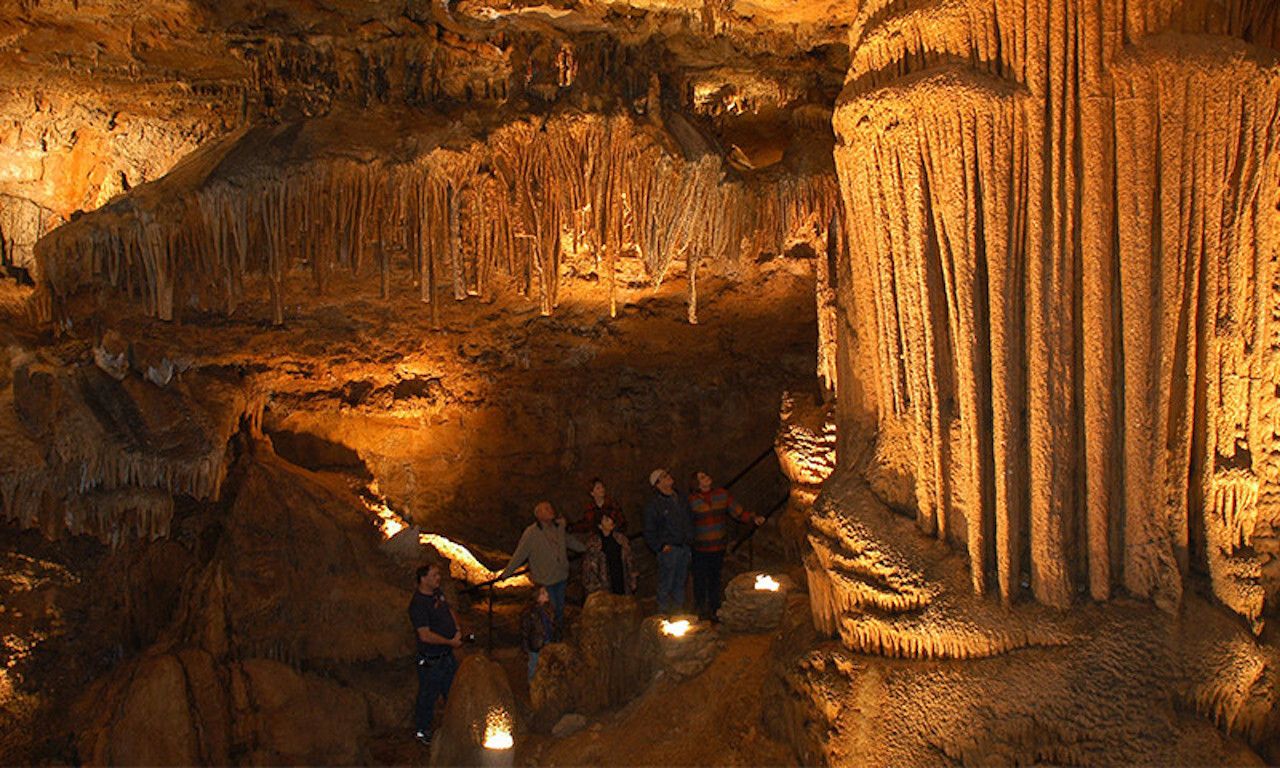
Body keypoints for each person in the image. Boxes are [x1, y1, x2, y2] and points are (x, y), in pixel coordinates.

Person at [688, 470, 765, 621]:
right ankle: (700, 610)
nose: (707, 477)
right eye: (703, 477)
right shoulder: (692, 500)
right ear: (697, 484)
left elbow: (737, 511)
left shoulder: (721, 495)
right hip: (700, 547)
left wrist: (752, 518)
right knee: (700, 579)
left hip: (717, 546)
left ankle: (715, 609)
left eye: (706, 475)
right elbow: (687, 521)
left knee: (715, 579)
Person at [497, 501, 584, 631]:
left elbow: (569, 542)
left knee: (559, 609)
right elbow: (520, 554)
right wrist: (507, 573)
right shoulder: (531, 533)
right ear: (538, 514)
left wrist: (587, 549)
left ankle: (557, 636)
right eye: (546, 508)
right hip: (545, 580)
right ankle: (548, 638)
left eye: (550, 507)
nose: (551, 510)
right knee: (549, 610)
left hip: (560, 576)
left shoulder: (557, 528)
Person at [408, 563, 464, 746]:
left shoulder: (437, 594)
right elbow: (424, 635)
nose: (438, 578)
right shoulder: (418, 604)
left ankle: (455, 729)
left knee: (454, 693)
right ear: (423, 579)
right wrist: (450, 642)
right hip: (431, 660)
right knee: (427, 696)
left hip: (447, 657)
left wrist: (456, 629)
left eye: (438, 574)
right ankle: (422, 731)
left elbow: (449, 610)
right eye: (434, 575)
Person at [643, 468, 694, 614]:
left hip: (683, 546)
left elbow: (688, 519)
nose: (669, 477)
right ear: (658, 484)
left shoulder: (680, 498)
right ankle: (663, 613)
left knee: (680, 581)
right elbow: (649, 529)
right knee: (667, 582)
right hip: (670, 549)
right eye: (664, 477)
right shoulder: (655, 505)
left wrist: (689, 538)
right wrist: (660, 546)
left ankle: (678, 611)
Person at [582, 513, 636, 595]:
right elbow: (590, 569)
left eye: (611, 519)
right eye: (606, 520)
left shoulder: (621, 539)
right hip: (605, 586)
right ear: (600, 526)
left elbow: (630, 561)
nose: (610, 521)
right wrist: (596, 589)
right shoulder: (593, 544)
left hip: (622, 580)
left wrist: (632, 579)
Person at [520, 586, 557, 681]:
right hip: (536, 643)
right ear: (537, 597)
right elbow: (525, 631)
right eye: (543, 593)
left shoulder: (549, 609)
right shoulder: (530, 613)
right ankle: (531, 683)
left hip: (546, 640)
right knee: (533, 664)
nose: (547, 594)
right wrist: (526, 646)